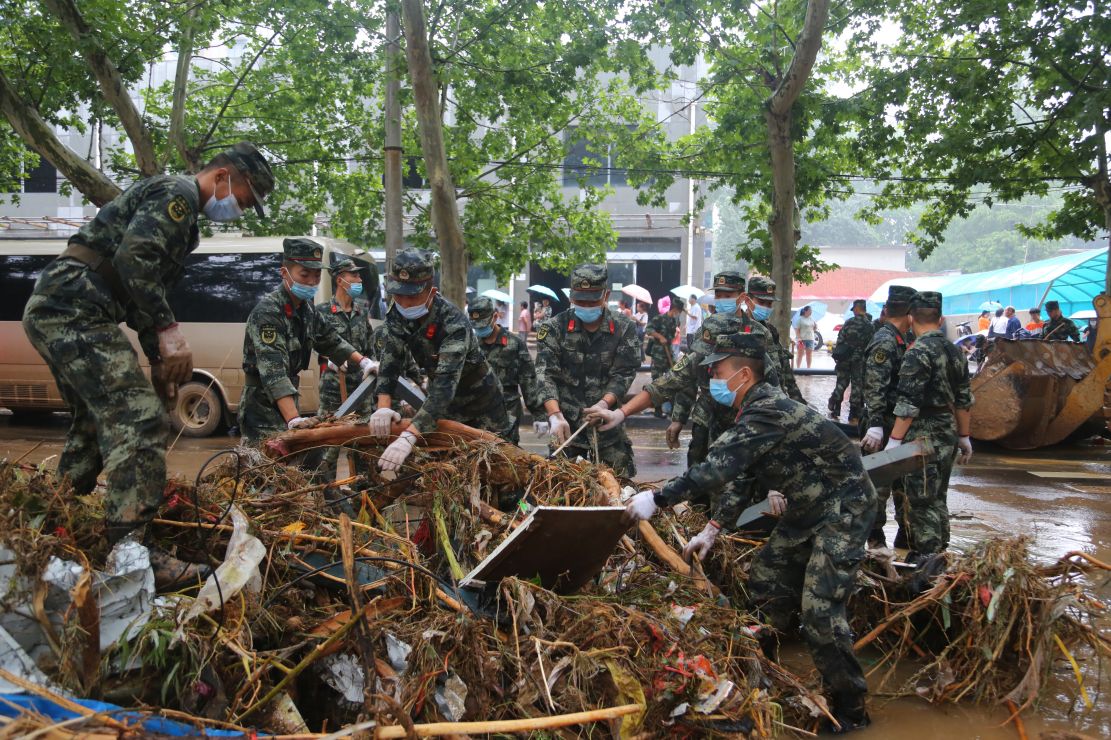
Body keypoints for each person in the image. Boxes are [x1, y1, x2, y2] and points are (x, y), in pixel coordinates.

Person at [22, 141, 273, 584]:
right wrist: (167, 329)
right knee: (139, 419)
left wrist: (158, 356)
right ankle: (130, 552)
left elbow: (141, 286)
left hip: (68, 308)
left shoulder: (185, 219)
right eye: (243, 199)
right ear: (223, 178)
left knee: (95, 424)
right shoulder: (176, 194)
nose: (238, 209)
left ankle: (45, 529)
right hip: (73, 307)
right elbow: (134, 260)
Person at [623, 331, 876, 733]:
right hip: (809, 506)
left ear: (743, 374)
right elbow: (743, 475)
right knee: (766, 579)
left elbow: (719, 466)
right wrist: (712, 528)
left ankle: (850, 707)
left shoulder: (768, 409)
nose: (711, 377)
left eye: (718, 371)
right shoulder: (751, 409)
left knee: (820, 610)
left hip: (843, 509)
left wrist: (659, 499)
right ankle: (767, 674)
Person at [370, 248, 511, 477]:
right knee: (449, 474)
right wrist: (383, 407)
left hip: (482, 406)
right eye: (398, 294)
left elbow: (445, 388)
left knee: (498, 472)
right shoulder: (397, 313)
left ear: (431, 291)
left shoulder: (453, 324)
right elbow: (390, 360)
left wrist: (408, 436)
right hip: (444, 409)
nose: (404, 303)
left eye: (412, 296)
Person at [240, 238, 379, 446]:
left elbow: (332, 341)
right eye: (304, 274)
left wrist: (364, 362)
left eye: (316, 275)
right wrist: (293, 419)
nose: (312, 282)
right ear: (284, 273)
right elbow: (274, 373)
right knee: (267, 467)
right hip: (262, 408)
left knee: (300, 461)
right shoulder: (268, 313)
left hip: (288, 401)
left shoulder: (307, 310)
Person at [886, 291, 974, 558]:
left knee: (920, 498)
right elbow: (963, 399)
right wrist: (964, 436)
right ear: (941, 318)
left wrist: (894, 441)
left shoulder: (918, 352)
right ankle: (940, 551)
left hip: (921, 435)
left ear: (911, 318)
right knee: (938, 496)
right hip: (947, 430)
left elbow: (908, 405)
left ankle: (927, 559)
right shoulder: (955, 350)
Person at [534, 264, 641, 477]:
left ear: (606, 295)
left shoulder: (623, 327)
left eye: (592, 301)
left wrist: (604, 403)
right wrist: (554, 415)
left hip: (607, 427)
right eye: (579, 300)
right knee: (560, 491)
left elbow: (624, 372)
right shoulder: (555, 327)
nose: (586, 306)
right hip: (566, 430)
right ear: (571, 297)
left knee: (619, 492)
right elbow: (545, 373)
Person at [859, 285, 916, 548]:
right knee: (878, 486)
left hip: (896, 425)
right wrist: (876, 425)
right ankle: (874, 540)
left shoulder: (900, 338)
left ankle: (905, 537)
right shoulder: (885, 340)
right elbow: (874, 386)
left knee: (902, 484)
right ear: (908, 312)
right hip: (882, 425)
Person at [314, 254, 376, 485]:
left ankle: (363, 491)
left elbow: (369, 347)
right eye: (355, 275)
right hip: (334, 386)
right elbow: (312, 343)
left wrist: (371, 365)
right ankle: (324, 488)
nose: (359, 278)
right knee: (329, 440)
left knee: (363, 440)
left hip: (361, 386)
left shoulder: (361, 312)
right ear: (341, 280)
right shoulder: (321, 312)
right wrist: (328, 358)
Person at [468, 296, 546, 444]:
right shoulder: (470, 345)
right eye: (476, 326)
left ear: (495, 317)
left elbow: (528, 381)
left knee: (506, 460)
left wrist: (540, 416)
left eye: (483, 324)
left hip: (506, 418)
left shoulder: (514, 345)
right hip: (474, 417)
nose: (480, 329)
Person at [745, 276, 805, 403]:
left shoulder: (771, 330)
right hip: (753, 404)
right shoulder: (737, 329)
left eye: (769, 304)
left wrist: (798, 401)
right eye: (761, 302)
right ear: (747, 300)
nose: (766, 307)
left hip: (776, 401)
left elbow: (784, 369)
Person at [828, 299, 875, 424]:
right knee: (857, 386)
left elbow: (840, 340)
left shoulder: (848, 323)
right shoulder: (870, 326)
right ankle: (854, 414)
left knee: (841, 383)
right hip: (859, 361)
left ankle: (835, 408)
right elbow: (872, 345)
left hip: (844, 359)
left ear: (857, 309)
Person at [645, 297, 685, 417]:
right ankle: (658, 410)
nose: (679, 314)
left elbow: (672, 336)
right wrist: (659, 336)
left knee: (672, 379)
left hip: (669, 355)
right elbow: (648, 330)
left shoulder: (674, 321)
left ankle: (673, 410)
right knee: (657, 382)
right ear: (675, 309)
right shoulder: (659, 318)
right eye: (679, 311)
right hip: (658, 355)